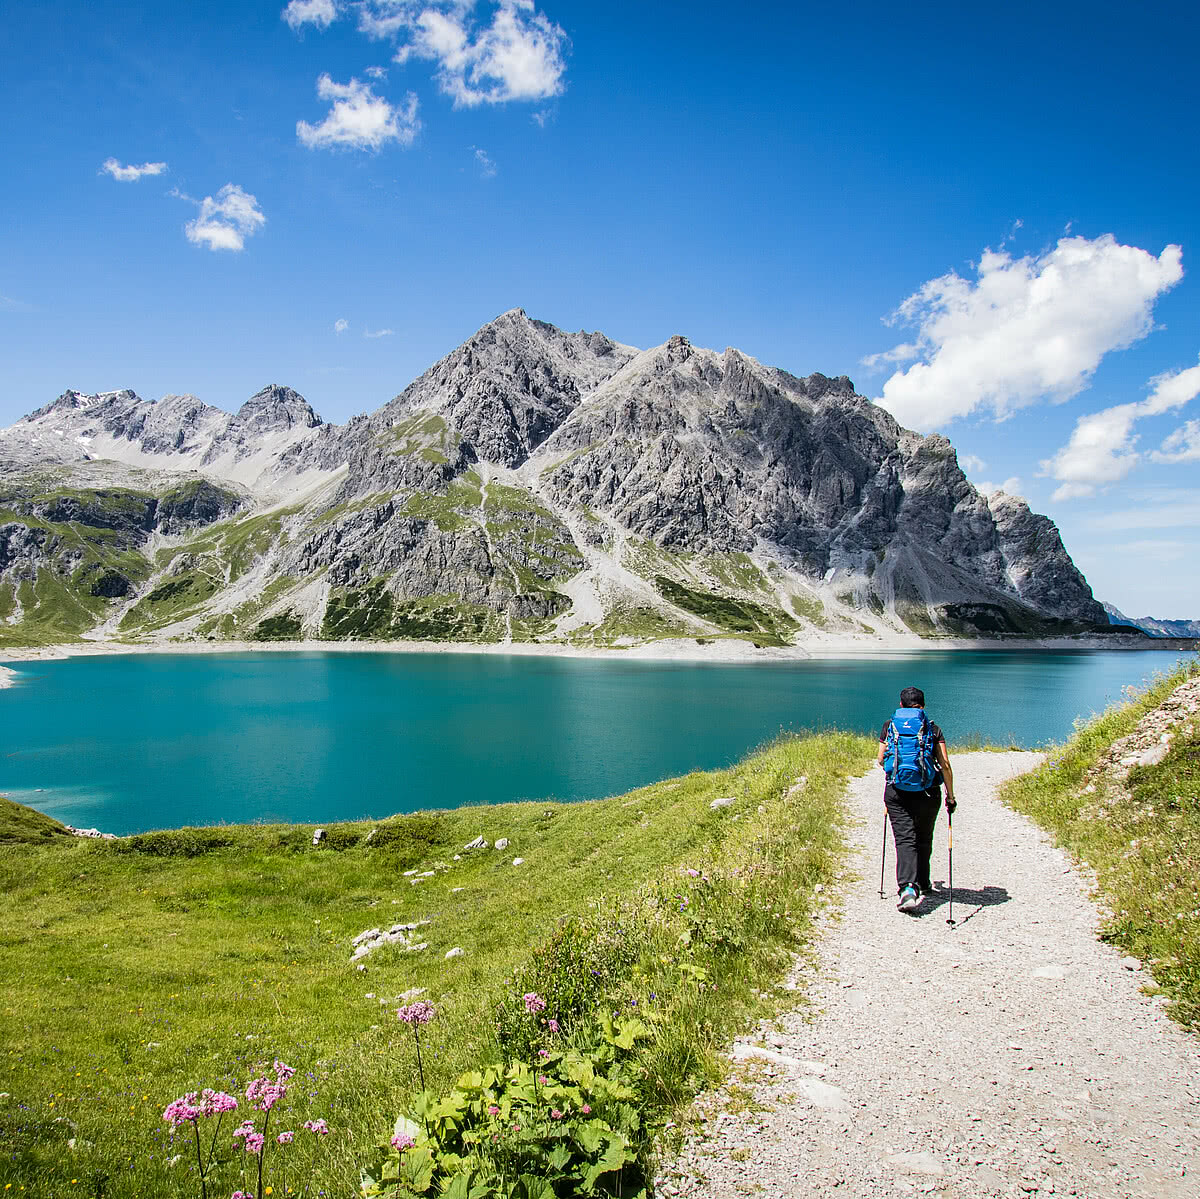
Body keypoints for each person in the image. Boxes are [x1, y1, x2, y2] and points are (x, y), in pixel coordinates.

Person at [876, 686, 955, 913]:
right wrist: (951, 795)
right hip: (929, 792)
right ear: (923, 706)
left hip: (896, 792)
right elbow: (945, 764)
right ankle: (923, 882)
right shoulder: (932, 729)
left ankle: (907, 888)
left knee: (904, 839)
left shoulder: (890, 726)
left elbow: (881, 759)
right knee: (923, 836)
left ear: (901, 705)